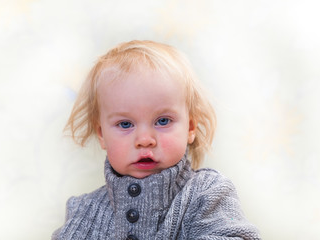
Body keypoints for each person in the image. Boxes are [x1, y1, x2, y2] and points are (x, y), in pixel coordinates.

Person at [52, 40, 261, 240]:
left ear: (190, 128)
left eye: (162, 121)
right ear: (101, 135)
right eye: (125, 124)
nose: (145, 140)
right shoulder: (83, 210)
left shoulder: (208, 193)